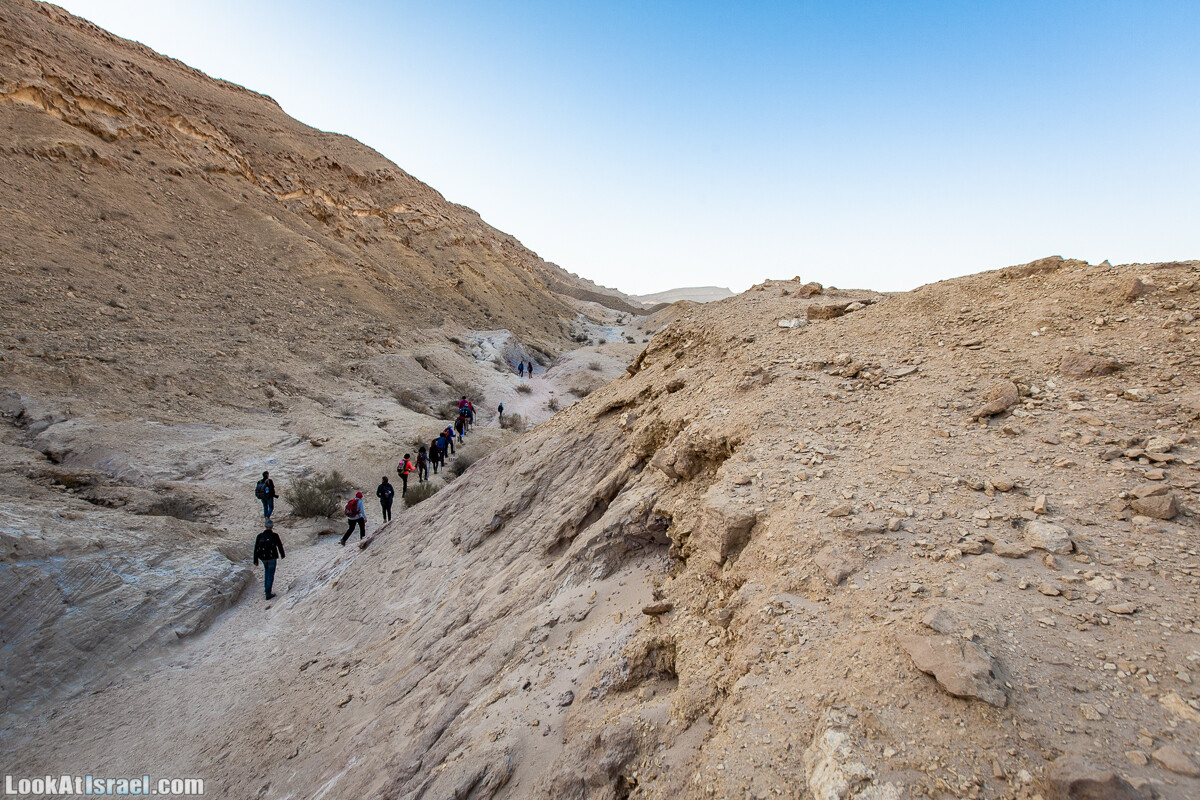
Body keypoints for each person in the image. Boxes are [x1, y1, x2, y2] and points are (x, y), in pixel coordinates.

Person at [253, 519, 285, 600]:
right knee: (271, 574)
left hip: (263, 558)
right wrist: (282, 554)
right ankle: (268, 593)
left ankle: (266, 589)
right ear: (272, 526)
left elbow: (256, 548)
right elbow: (279, 545)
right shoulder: (274, 535)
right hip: (272, 557)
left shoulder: (259, 536)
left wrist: (255, 560)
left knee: (266, 572)